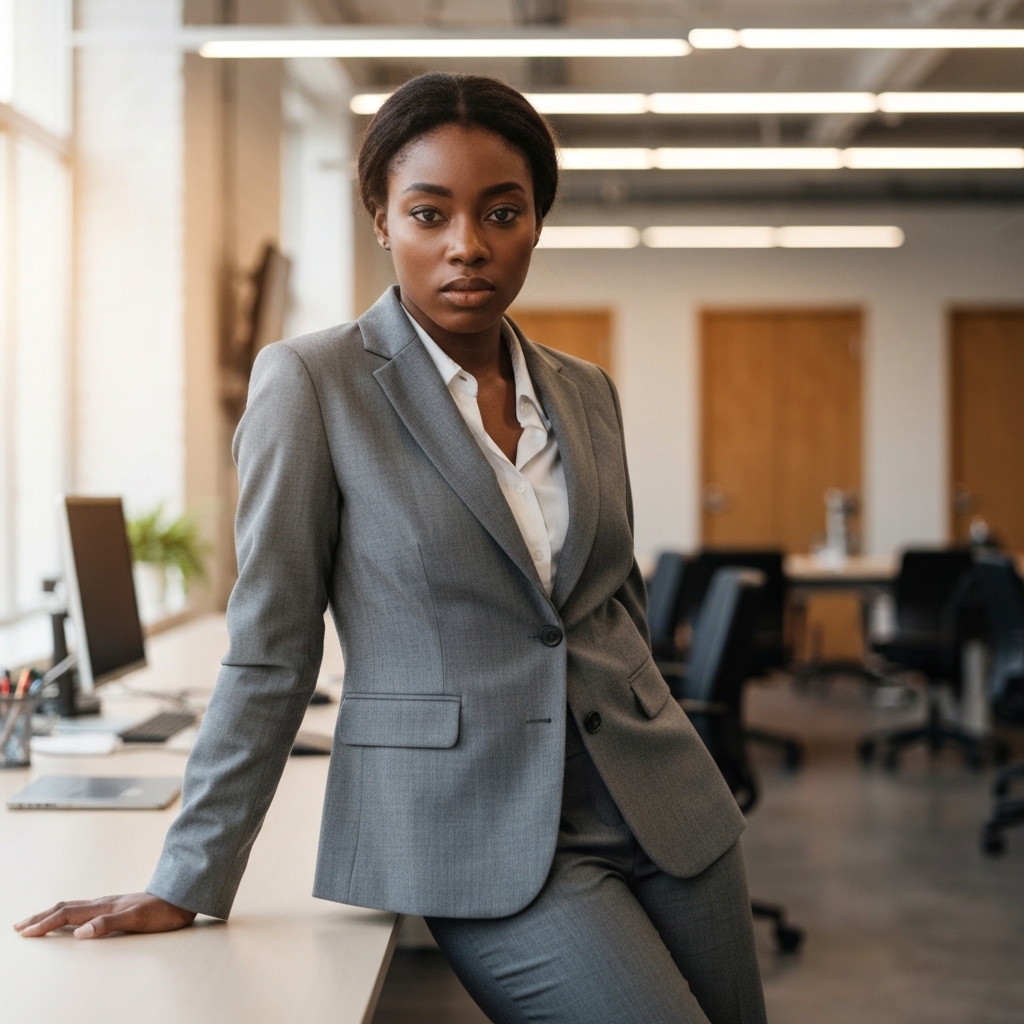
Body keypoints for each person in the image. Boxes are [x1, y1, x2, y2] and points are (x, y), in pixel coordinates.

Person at [16, 73, 767, 1024]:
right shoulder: (314, 384)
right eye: (429, 212)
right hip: (481, 825)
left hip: (666, 804)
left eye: (503, 212)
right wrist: (190, 874)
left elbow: (613, 602)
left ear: (537, 221)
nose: (468, 246)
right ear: (382, 219)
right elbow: (270, 648)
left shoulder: (585, 391)